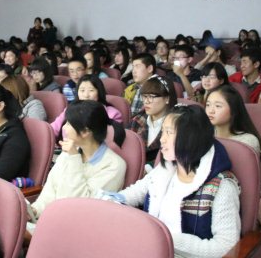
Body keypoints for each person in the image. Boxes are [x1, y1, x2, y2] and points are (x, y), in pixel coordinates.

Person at [98, 105, 241, 258]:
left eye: (169, 132)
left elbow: (227, 247)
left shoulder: (222, 186)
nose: (162, 139)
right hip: (152, 249)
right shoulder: (166, 169)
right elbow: (135, 193)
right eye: (163, 131)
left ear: (190, 137)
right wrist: (113, 200)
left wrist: (166, 238)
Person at [29, 101, 126, 222]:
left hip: (79, 226)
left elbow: (81, 207)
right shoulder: (69, 153)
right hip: (52, 220)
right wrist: (34, 211)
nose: (64, 128)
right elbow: (50, 191)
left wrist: (74, 159)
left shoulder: (114, 166)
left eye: (69, 124)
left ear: (85, 131)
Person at [206, 84, 261, 166]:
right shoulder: (204, 135)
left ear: (233, 109)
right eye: (208, 105)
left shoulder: (247, 141)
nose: (210, 111)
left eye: (218, 106)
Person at [51, 75, 123, 142]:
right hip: (66, 149)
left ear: (99, 92)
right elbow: (52, 130)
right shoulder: (70, 110)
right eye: (82, 90)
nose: (86, 95)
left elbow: (110, 140)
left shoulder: (113, 114)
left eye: (91, 90)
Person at [127, 76, 177, 164]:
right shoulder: (137, 120)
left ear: (167, 98)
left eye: (151, 97)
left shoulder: (175, 126)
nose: (146, 101)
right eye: (144, 96)